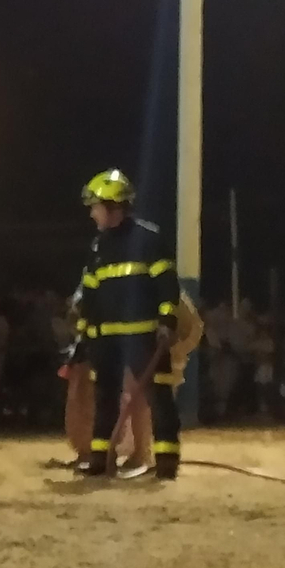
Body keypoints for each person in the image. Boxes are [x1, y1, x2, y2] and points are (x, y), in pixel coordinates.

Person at [76, 169, 182, 479]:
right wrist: (84, 331)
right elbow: (91, 293)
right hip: (105, 339)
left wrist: (166, 319)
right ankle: (100, 459)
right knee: (105, 398)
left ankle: (166, 462)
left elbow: (167, 284)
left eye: (96, 207)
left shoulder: (149, 239)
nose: (92, 213)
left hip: (144, 336)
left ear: (112, 206)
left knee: (158, 397)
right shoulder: (99, 246)